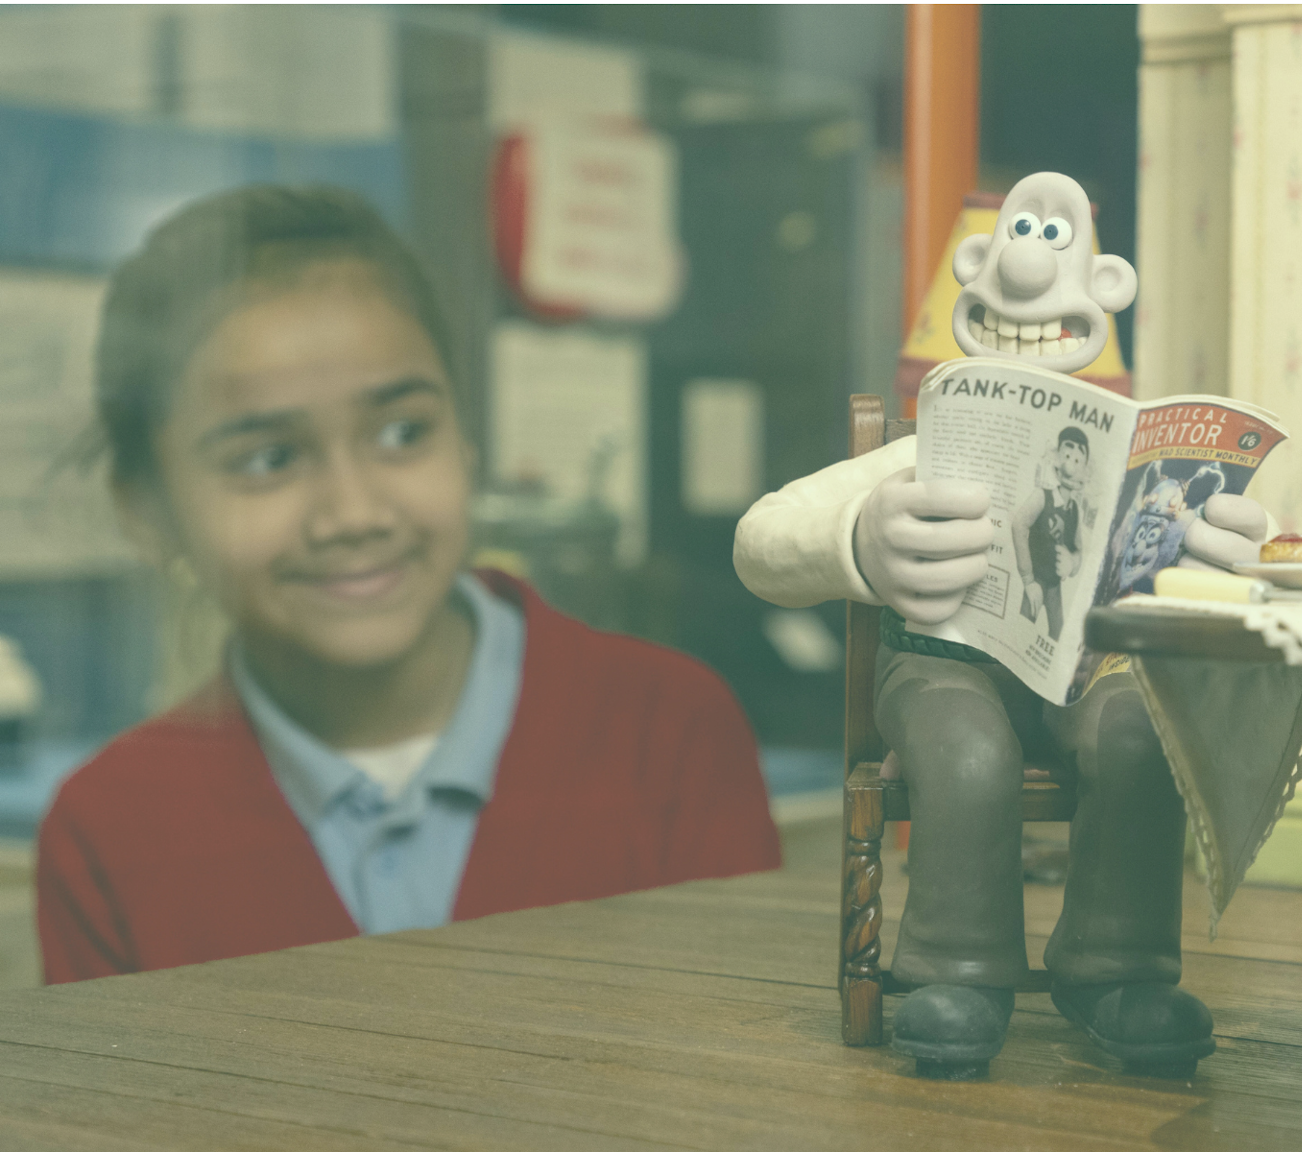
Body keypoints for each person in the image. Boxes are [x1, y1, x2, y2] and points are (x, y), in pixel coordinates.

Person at [36, 185, 779, 984]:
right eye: (268, 459)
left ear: (465, 435)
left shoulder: (667, 734)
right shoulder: (109, 831)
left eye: (402, 433)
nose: (355, 513)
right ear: (146, 511)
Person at [735, 172, 1272, 1079]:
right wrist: (860, 541)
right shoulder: (917, 451)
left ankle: (1115, 969)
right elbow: (761, 541)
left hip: (1086, 669)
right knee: (969, 750)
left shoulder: (1124, 456)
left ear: (1107, 294)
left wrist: (1235, 543)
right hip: (943, 668)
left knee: (1144, 732)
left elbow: (1217, 560)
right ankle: (957, 972)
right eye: (1016, 242)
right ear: (976, 273)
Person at [1013, 426, 1095, 639]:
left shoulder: (1075, 511)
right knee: (1022, 629)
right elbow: (1019, 525)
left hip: (1055, 586)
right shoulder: (1042, 496)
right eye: (1067, 456)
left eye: (1078, 460)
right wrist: (1028, 580)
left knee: (1057, 634)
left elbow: (1078, 550)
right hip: (1037, 580)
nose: (1070, 466)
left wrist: (1073, 563)